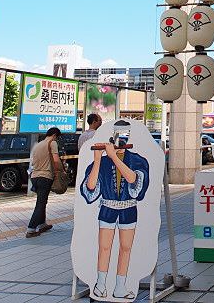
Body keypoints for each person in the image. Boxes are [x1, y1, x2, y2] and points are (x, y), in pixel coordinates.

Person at [81, 122, 149, 300]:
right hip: (107, 208)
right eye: (119, 134)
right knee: (104, 247)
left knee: (126, 248)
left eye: (125, 134)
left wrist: (114, 157)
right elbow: (90, 187)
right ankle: (100, 284)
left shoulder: (137, 160)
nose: (122, 138)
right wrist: (97, 160)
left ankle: (120, 286)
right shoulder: (102, 161)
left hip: (129, 208)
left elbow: (134, 180)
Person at [26, 127, 62, 238]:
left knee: (42, 200)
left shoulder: (38, 145)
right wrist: (61, 171)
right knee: (40, 204)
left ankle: (42, 224)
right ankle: (31, 229)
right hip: (45, 176)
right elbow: (56, 160)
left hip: (35, 177)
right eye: (57, 137)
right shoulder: (52, 143)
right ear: (55, 135)